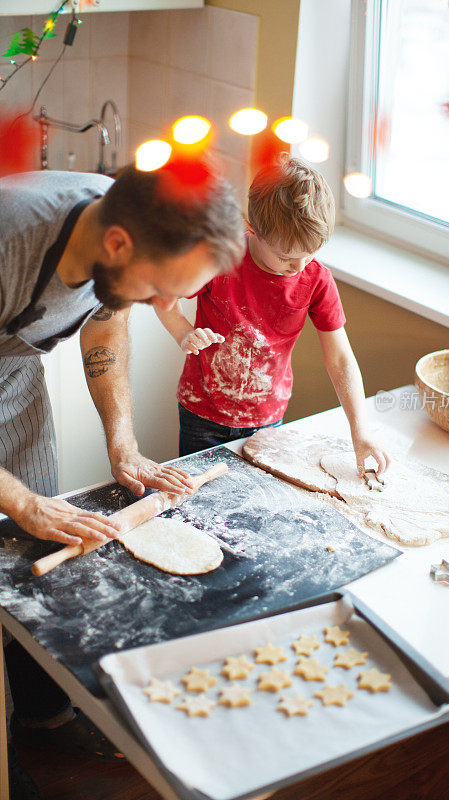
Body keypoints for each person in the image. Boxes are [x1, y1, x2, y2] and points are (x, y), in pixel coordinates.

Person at [0, 163, 244, 773]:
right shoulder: (9, 240)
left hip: (12, 380)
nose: (166, 306)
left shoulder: (121, 235)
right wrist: (22, 500)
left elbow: (106, 315)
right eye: (161, 288)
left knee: (31, 564)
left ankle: (43, 719)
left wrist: (124, 442)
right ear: (117, 244)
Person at [156, 154, 389, 475]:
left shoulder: (316, 280)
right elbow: (163, 296)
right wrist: (183, 333)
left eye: (309, 256)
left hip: (267, 418)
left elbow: (340, 360)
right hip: (203, 413)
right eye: (285, 257)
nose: (298, 267)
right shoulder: (222, 259)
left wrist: (360, 432)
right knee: (199, 502)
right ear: (252, 229)